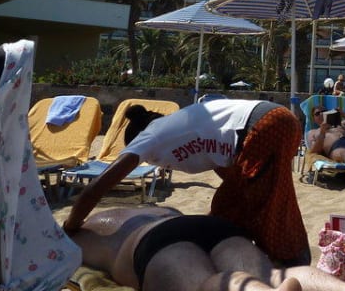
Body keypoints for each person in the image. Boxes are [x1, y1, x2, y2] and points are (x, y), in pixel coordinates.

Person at [63, 99, 308, 265]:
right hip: (269, 125)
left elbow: (96, 189)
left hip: (267, 126)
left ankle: (291, 265)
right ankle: (239, 255)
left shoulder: (151, 135)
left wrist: (72, 225)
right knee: (227, 205)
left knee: (267, 208)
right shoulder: (177, 127)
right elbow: (224, 156)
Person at [70, 207, 345, 291]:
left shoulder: (91, 226)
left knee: (203, 283)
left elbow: (61, 259)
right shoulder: (160, 207)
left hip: (155, 241)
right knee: (273, 273)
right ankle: (343, 289)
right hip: (212, 225)